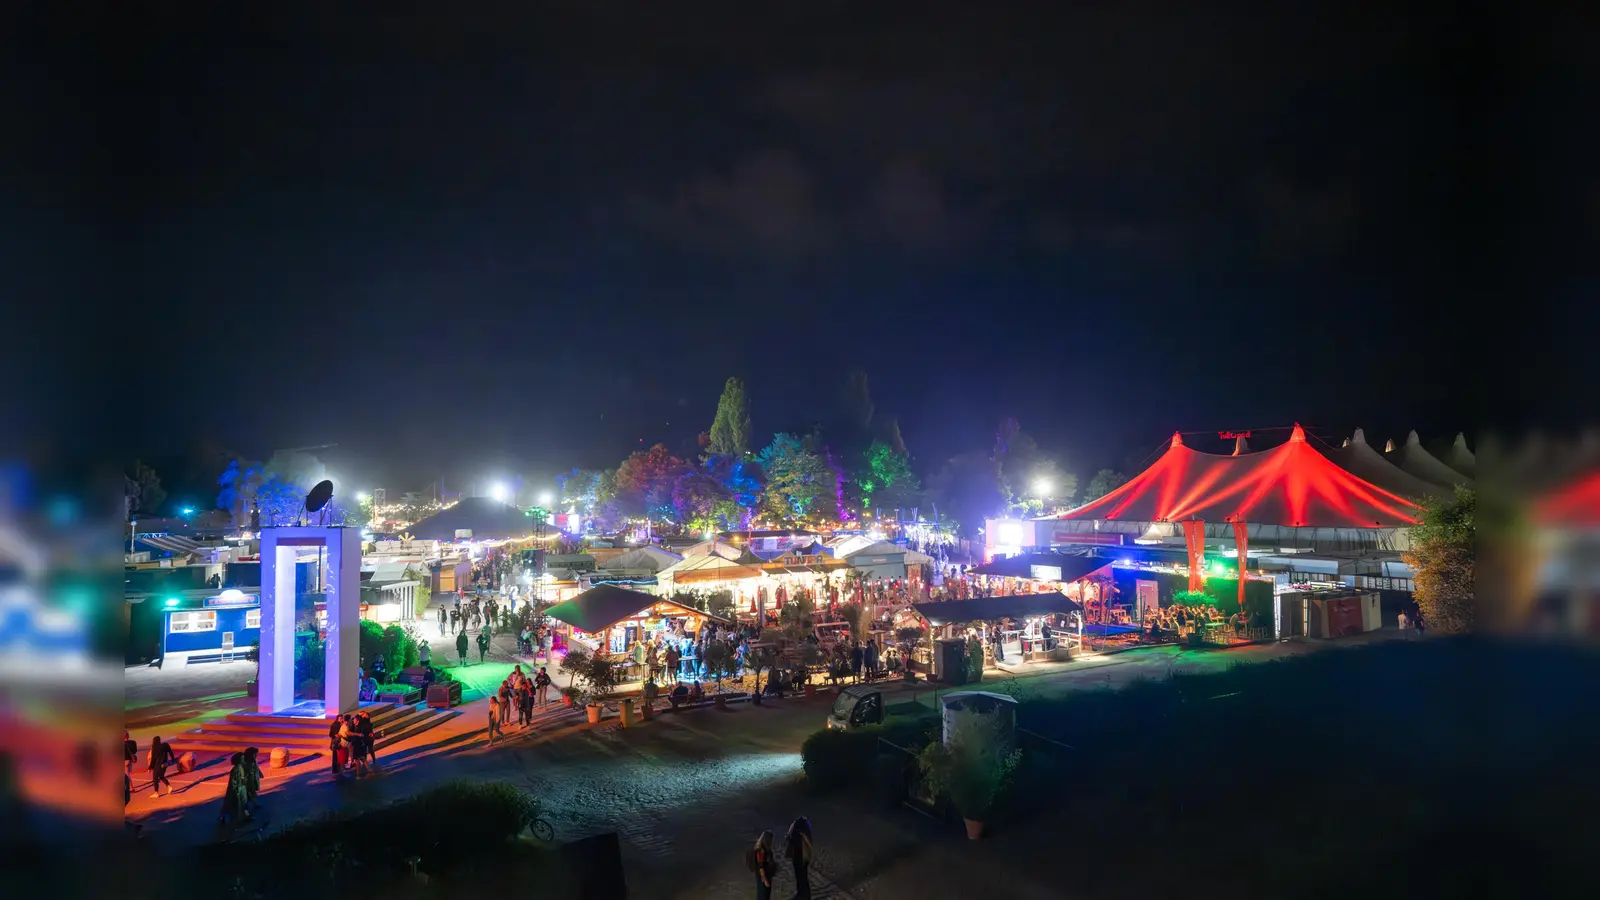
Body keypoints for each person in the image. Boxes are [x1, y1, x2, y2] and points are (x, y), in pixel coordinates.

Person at [785, 816, 814, 900]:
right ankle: (801, 893)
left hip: (802, 858)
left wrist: (803, 835)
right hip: (797, 857)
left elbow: (809, 844)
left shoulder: (805, 834)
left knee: (803, 877)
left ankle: (805, 895)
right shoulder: (795, 832)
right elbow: (788, 838)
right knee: (799, 876)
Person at [747, 830, 778, 900]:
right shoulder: (761, 850)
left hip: (764, 875)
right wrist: (765, 880)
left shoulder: (764, 848)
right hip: (763, 876)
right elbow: (760, 866)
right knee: (763, 894)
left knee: (764, 894)